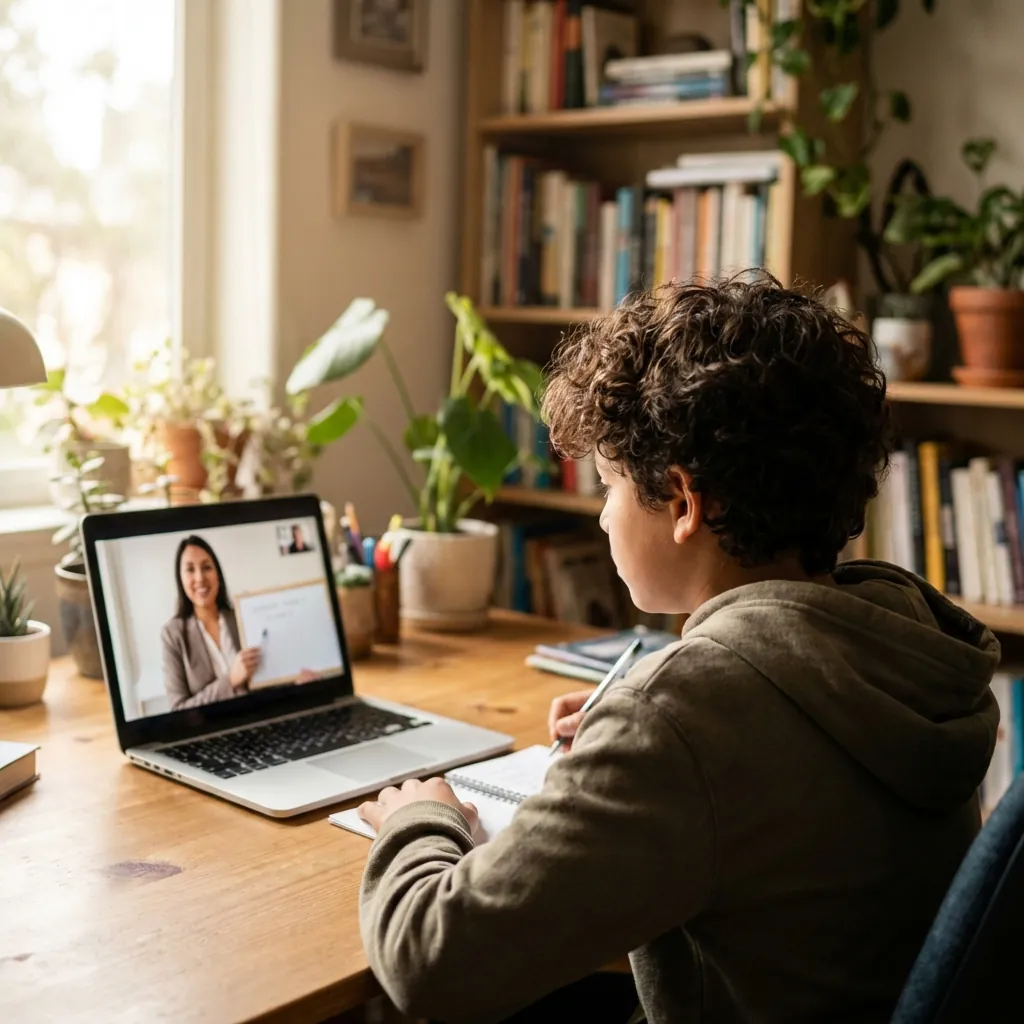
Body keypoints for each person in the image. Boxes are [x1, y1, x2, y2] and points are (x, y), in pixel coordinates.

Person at [354, 275, 999, 1024]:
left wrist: (424, 819)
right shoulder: (906, 642)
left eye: (607, 487)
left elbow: (428, 961)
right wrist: (644, 720)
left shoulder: (685, 718)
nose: (600, 519)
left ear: (685, 504)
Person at [162, 535, 317, 710]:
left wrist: (295, 684)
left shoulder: (244, 616)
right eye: (190, 569)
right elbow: (179, 710)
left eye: (207, 567)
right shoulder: (172, 635)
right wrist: (230, 681)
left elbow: (269, 680)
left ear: (217, 574)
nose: (199, 578)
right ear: (180, 579)